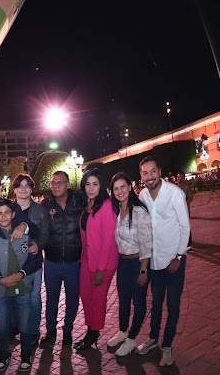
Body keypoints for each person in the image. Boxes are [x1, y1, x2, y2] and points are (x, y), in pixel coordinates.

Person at [136, 156, 190, 366]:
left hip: (174, 260)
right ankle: (152, 338)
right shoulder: (142, 196)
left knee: (173, 306)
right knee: (156, 304)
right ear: (141, 175)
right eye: (145, 173)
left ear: (160, 171)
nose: (149, 177)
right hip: (155, 262)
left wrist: (179, 256)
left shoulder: (174, 193)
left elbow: (185, 226)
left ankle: (167, 346)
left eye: (152, 171)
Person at [0, 199, 36, 372]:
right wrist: (0, 280)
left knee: (24, 325)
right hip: (1, 291)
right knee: (3, 326)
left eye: (7, 212)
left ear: (13, 214)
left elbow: (32, 259)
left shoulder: (25, 236)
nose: (3, 216)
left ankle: (26, 355)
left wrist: (22, 273)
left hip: (23, 289)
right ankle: (4, 354)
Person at [107, 171, 152, 356]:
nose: (120, 191)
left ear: (130, 187)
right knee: (123, 300)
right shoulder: (117, 211)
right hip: (123, 263)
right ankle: (123, 331)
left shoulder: (139, 211)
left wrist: (143, 270)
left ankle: (132, 339)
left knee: (139, 303)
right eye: (116, 188)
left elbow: (147, 243)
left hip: (137, 263)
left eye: (123, 187)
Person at [74, 168, 117, 351]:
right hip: (86, 259)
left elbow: (108, 241)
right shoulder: (88, 204)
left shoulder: (107, 206)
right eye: (88, 184)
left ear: (102, 185)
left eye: (95, 184)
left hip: (103, 263)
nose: (91, 188)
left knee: (98, 298)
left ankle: (93, 333)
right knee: (86, 296)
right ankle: (91, 329)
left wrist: (100, 270)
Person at [40, 170, 84, 346]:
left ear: (67, 184)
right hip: (52, 261)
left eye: (59, 183)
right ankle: (50, 331)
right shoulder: (46, 205)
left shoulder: (80, 203)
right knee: (52, 299)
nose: (55, 186)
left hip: (75, 262)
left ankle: (68, 331)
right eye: (53, 183)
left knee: (73, 298)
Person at [10, 173, 48, 346]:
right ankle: (14, 327)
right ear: (14, 188)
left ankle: (33, 331)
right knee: (13, 297)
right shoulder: (8, 209)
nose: (23, 188)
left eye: (27, 185)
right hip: (12, 263)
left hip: (33, 262)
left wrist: (38, 245)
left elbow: (46, 234)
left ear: (32, 188)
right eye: (20, 185)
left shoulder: (40, 210)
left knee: (34, 297)